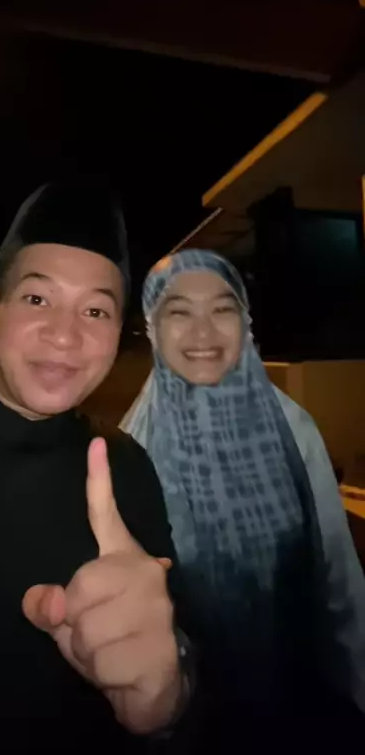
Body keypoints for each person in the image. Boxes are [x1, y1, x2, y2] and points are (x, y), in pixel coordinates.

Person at [0, 182, 192, 754]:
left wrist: (166, 695)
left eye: (95, 310)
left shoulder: (126, 465)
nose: (65, 334)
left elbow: (175, 644)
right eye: (37, 299)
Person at [121, 248, 365, 740]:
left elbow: (338, 574)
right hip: (196, 720)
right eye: (179, 312)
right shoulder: (133, 449)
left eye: (222, 308)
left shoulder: (292, 429)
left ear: (246, 321)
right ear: (153, 327)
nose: (204, 333)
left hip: (305, 699)